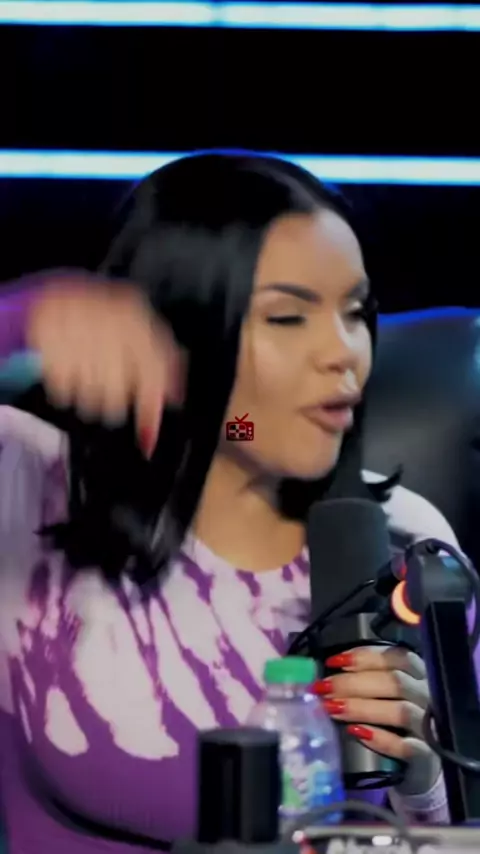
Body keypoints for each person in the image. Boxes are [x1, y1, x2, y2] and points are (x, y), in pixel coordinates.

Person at [0, 152, 462, 852]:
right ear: (179, 332)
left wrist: (423, 782)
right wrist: (18, 319)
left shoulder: (406, 535)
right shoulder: (32, 484)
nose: (344, 352)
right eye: (288, 317)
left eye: (356, 312)